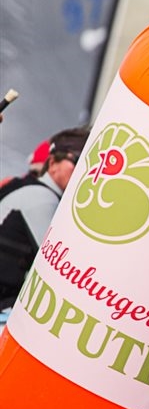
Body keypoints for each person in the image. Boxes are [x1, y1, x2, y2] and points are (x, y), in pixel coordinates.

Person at [0, 126, 90, 309]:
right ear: (53, 162)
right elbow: (58, 271)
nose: (84, 171)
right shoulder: (43, 198)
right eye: (78, 161)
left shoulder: (24, 185)